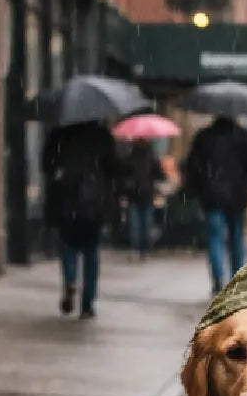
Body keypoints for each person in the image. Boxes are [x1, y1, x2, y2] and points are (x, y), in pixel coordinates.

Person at [42, 121, 120, 319]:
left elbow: (47, 164)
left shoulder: (60, 133)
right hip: (94, 201)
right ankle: (87, 303)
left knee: (68, 246)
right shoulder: (101, 135)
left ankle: (70, 281)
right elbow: (113, 168)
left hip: (67, 199)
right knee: (91, 250)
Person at [182, 114, 247, 293]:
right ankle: (236, 280)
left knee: (215, 237)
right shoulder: (244, 137)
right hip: (237, 196)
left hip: (212, 196)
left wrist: (195, 190)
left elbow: (193, 166)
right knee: (236, 237)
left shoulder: (204, 137)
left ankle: (217, 279)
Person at [122, 139, 166, 258]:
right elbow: (159, 175)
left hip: (134, 193)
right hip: (146, 193)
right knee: (146, 221)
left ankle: (137, 247)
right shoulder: (152, 158)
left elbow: (123, 174)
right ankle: (145, 247)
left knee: (135, 222)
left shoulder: (129, 158)